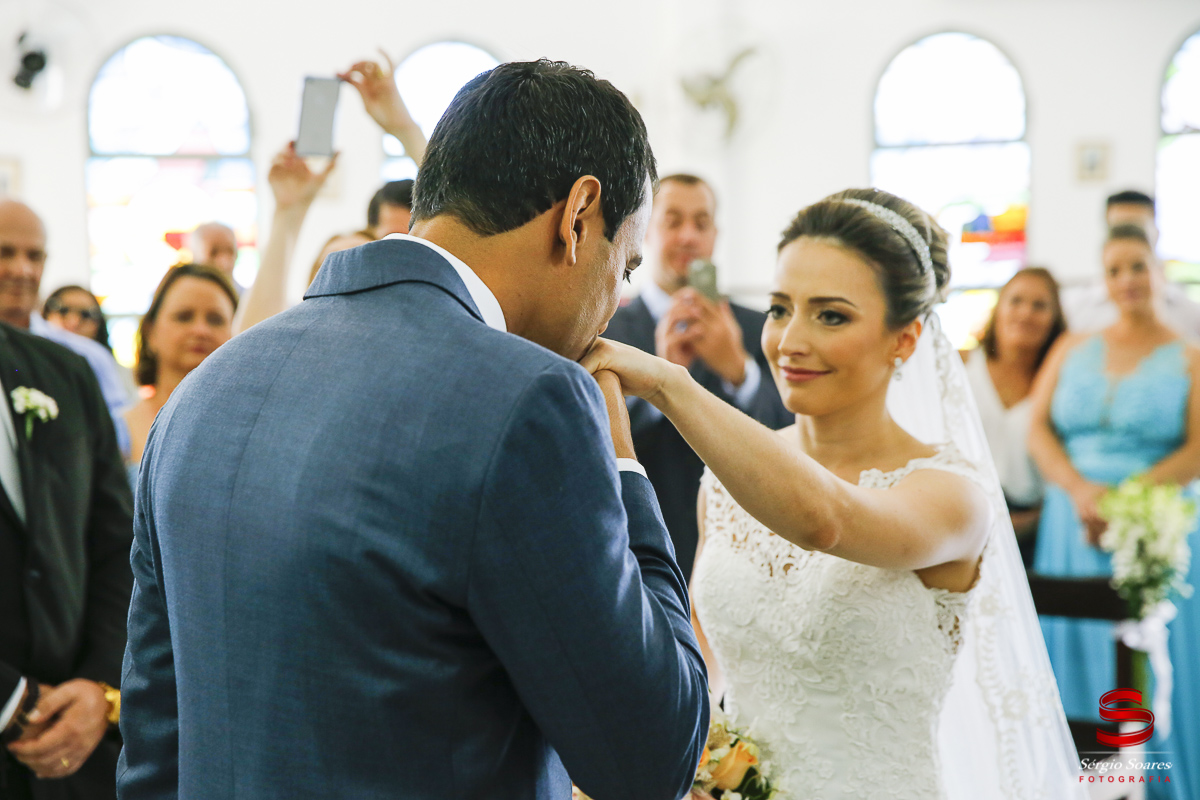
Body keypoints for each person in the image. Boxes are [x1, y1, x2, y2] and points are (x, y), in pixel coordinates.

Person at [118, 59, 708, 800]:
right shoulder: (532, 401)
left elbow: (153, 743)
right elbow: (650, 758)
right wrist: (622, 461)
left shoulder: (204, 390)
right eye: (624, 267)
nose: (614, 305)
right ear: (578, 216)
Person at [584, 188, 1084, 798]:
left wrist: (668, 384)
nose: (791, 340)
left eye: (832, 315)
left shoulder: (954, 496)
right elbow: (702, 659)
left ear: (904, 339)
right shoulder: (724, 484)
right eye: (778, 308)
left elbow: (826, 521)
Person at [1029, 223, 1200, 799]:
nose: (1127, 279)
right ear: (1102, 283)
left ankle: (1154, 781)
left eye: (1137, 266)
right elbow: (1037, 427)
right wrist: (1079, 490)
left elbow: (1198, 448)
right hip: (1070, 525)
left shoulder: (1189, 357)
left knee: (1145, 659)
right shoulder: (1072, 346)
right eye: (1114, 270)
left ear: (1159, 273)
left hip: (1151, 524)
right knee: (1069, 645)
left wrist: (1126, 502)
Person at [604, 174, 789, 577]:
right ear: (648, 230)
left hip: (746, 555)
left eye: (701, 223)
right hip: (638, 551)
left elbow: (792, 441)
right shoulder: (606, 330)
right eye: (673, 221)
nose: (688, 236)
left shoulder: (762, 329)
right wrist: (659, 386)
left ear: (715, 235)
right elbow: (594, 443)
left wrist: (741, 372)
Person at [0, 321, 133, 798]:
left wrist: (100, 687)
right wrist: (10, 699)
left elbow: (116, 541)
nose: (20, 268)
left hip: (76, 745)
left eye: (35, 255)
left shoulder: (65, 371)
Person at [0, 200, 131, 454]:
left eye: (34, 256)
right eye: (5, 252)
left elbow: (118, 443)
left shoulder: (85, 359)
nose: (22, 270)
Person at [962, 267, 1066, 567]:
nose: (1026, 313)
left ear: (1054, 318)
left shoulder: (1061, 382)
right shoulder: (964, 365)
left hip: (1033, 527)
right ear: (999, 308)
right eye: (1016, 301)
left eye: (1039, 305)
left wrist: (1031, 519)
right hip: (964, 516)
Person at [125, 264, 238, 478]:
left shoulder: (246, 425)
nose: (200, 330)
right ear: (151, 333)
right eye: (184, 316)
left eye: (216, 319)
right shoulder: (118, 429)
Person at [1062, 190, 1200, 338]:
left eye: (1137, 229)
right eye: (1118, 229)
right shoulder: (1075, 313)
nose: (1128, 237)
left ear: (1157, 233)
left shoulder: (1191, 315)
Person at [187, 221, 241, 291]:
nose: (224, 261)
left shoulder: (248, 297)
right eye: (214, 252)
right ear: (195, 255)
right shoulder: (183, 296)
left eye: (230, 251)